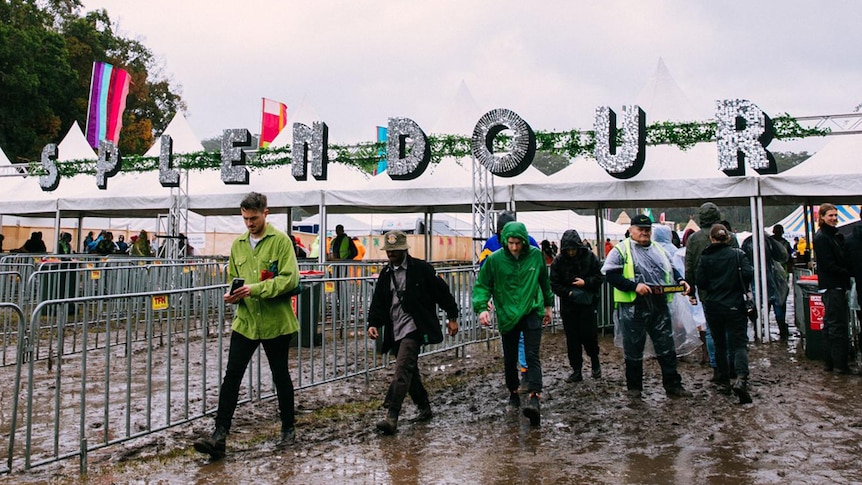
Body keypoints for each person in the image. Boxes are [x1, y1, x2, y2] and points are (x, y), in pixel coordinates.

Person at [193, 192, 301, 458]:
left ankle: (288, 427)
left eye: (253, 218)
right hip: (246, 322)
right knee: (232, 377)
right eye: (245, 218)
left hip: (276, 323)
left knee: (280, 375)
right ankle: (219, 435)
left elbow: (289, 279)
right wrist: (233, 295)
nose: (249, 223)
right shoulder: (238, 244)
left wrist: (257, 289)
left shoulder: (281, 242)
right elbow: (234, 278)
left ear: (266, 213)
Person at [367, 231, 459, 435]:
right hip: (395, 328)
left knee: (401, 369)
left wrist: (452, 317)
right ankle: (424, 406)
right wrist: (373, 323)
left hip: (414, 327)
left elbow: (442, 292)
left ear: (404, 250)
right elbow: (379, 302)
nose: (391, 254)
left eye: (395, 251)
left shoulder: (422, 269)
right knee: (410, 371)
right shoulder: (385, 274)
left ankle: (392, 415)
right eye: (388, 251)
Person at [602, 214, 693, 399]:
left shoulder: (659, 249)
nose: (644, 233)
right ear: (631, 230)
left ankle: (673, 385)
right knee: (634, 350)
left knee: (667, 348)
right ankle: (634, 388)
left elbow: (671, 269)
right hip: (633, 307)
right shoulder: (621, 250)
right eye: (640, 230)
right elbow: (610, 274)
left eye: (647, 230)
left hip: (659, 306)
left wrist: (681, 281)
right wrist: (634, 286)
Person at [472, 221, 553, 427]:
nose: (515, 247)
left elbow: (544, 281)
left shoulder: (535, 256)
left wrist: (548, 306)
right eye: (511, 242)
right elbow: (482, 285)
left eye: (518, 243)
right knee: (510, 358)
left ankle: (535, 398)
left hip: (531, 310)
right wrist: (481, 307)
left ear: (524, 241)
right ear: (505, 241)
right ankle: (513, 393)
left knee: (532, 354)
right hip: (507, 313)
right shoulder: (495, 260)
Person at [694, 224, 754, 404]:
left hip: (714, 305)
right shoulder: (737, 254)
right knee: (739, 343)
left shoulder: (705, 257)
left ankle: (723, 379)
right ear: (727, 237)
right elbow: (748, 274)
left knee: (720, 344)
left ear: (711, 238)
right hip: (735, 304)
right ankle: (742, 379)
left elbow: (701, 282)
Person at [550, 229, 603, 382]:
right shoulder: (559, 262)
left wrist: (585, 283)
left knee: (590, 335)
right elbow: (554, 283)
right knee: (572, 339)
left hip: (587, 304)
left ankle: (595, 362)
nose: (572, 252)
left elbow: (599, 277)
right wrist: (568, 293)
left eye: (574, 249)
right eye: (569, 249)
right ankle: (577, 370)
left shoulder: (590, 257)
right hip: (569, 306)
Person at [813, 203, 852, 374]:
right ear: (822, 217)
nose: (834, 219)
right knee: (836, 325)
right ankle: (838, 365)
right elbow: (828, 265)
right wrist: (849, 272)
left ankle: (831, 363)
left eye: (836, 215)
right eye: (830, 215)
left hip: (833, 285)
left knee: (830, 324)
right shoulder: (822, 237)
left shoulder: (832, 236)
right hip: (832, 286)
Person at [741, 232, 790, 340]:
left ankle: (760, 332)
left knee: (759, 309)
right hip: (769, 282)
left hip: (761, 282)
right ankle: (782, 334)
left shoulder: (749, 242)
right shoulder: (768, 242)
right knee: (776, 310)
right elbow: (784, 256)